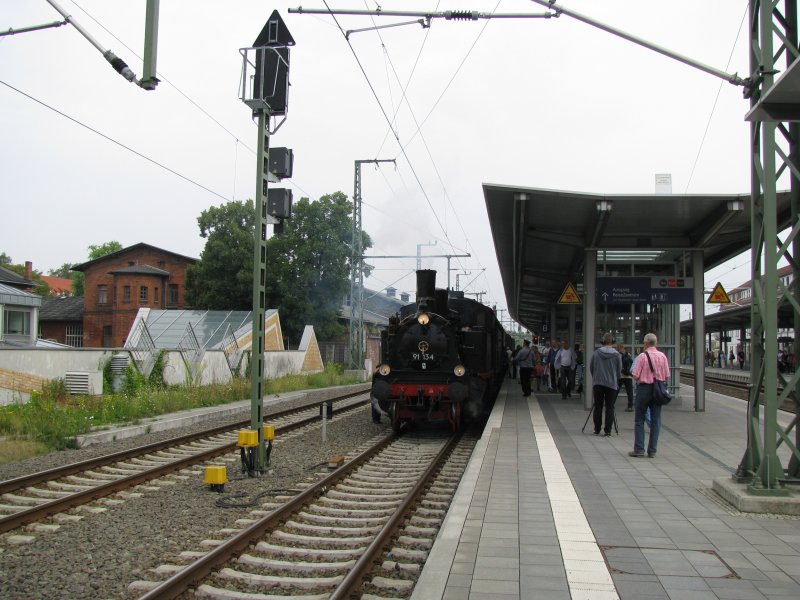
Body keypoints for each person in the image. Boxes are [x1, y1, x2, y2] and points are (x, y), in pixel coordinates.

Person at [629, 333, 670, 458]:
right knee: (656, 420)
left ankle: (639, 449)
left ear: (646, 343)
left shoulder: (642, 356)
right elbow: (667, 375)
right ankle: (652, 450)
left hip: (644, 389)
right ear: (655, 343)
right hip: (658, 390)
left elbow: (635, 374)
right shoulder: (663, 356)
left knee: (639, 419)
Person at [589, 333, 622, 436]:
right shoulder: (617, 355)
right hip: (611, 384)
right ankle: (608, 430)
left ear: (602, 342)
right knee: (610, 407)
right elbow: (619, 370)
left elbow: (591, 367)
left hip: (598, 383)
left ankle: (597, 429)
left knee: (598, 406)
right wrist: (614, 377)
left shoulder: (596, 353)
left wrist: (596, 377)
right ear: (613, 342)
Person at [617, 344, 634, 412]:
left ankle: (611, 404)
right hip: (629, 376)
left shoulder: (618, 355)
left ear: (619, 348)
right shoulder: (628, 354)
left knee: (616, 390)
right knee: (630, 392)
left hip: (621, 376)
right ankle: (630, 406)